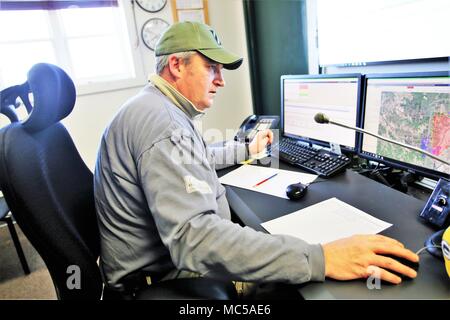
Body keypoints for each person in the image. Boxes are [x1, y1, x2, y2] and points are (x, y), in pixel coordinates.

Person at [94, 21, 419, 298]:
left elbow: (196, 156)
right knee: (306, 285)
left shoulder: (153, 107)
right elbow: (196, 241)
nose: (220, 80)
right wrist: (321, 258)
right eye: (211, 68)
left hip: (154, 263)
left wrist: (246, 149)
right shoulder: (164, 124)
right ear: (177, 66)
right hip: (166, 280)